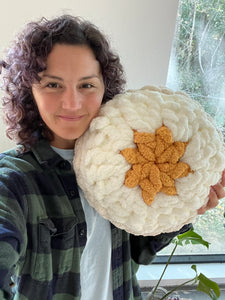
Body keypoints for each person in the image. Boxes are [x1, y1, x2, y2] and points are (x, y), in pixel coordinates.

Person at [0, 15, 224, 300]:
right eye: (53, 85)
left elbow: (138, 252)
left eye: (87, 85)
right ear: (28, 90)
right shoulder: (14, 181)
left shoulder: (128, 161)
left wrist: (185, 207)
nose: (72, 102)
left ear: (106, 87)